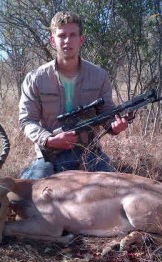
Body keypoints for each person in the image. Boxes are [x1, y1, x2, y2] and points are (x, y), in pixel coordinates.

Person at [19, 11, 128, 179]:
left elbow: (107, 114)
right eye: (62, 35)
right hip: (49, 155)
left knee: (115, 187)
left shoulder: (99, 76)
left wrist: (114, 126)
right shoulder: (35, 78)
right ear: (53, 40)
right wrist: (48, 139)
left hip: (90, 152)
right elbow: (27, 120)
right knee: (33, 193)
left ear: (81, 39)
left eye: (73, 35)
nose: (67, 41)